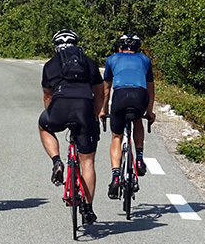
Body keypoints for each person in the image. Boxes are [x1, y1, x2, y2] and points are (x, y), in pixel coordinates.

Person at [38, 29, 105, 225]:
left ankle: (57, 161)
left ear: (55, 47)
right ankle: (88, 209)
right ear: (77, 44)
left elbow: (48, 96)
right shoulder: (89, 62)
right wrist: (94, 115)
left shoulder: (50, 65)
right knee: (88, 163)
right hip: (84, 109)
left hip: (60, 107)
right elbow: (99, 93)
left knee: (44, 126)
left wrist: (52, 115)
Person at [100, 33, 156, 200]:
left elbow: (106, 90)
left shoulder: (111, 59)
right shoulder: (145, 60)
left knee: (116, 136)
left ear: (120, 48)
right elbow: (151, 90)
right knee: (137, 119)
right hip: (140, 95)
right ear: (138, 49)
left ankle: (116, 176)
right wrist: (150, 111)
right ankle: (139, 158)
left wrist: (103, 110)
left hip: (120, 96)